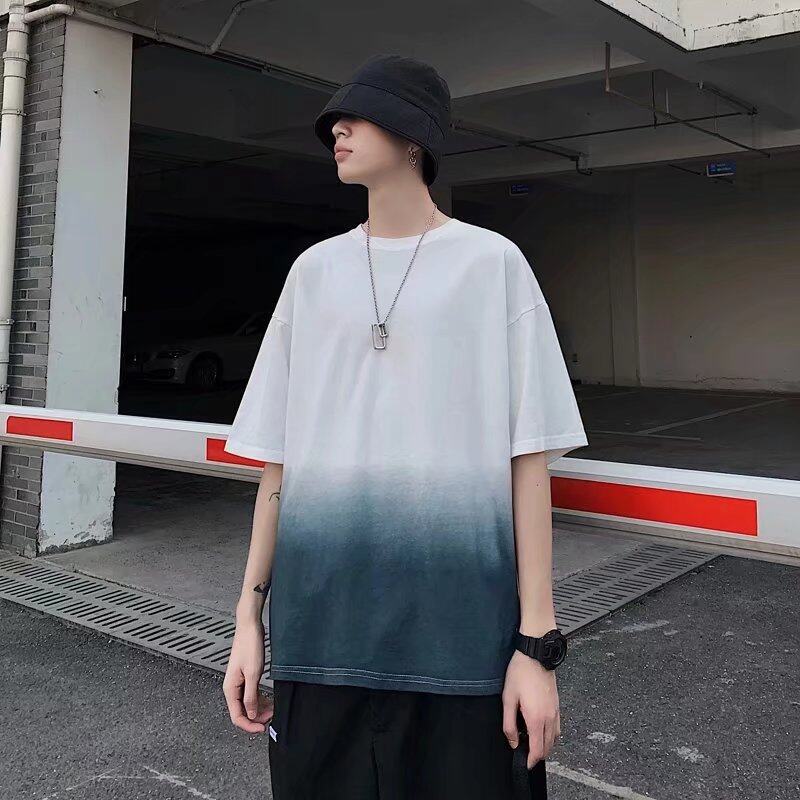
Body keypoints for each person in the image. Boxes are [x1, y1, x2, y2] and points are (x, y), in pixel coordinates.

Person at [221, 53, 588, 799]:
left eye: (357, 116)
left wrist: (536, 646)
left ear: (415, 139)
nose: (336, 129)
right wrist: (247, 618)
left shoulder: (493, 265)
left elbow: (529, 462)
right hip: (320, 642)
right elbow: (278, 466)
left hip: (464, 645)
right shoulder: (312, 273)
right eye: (333, 121)